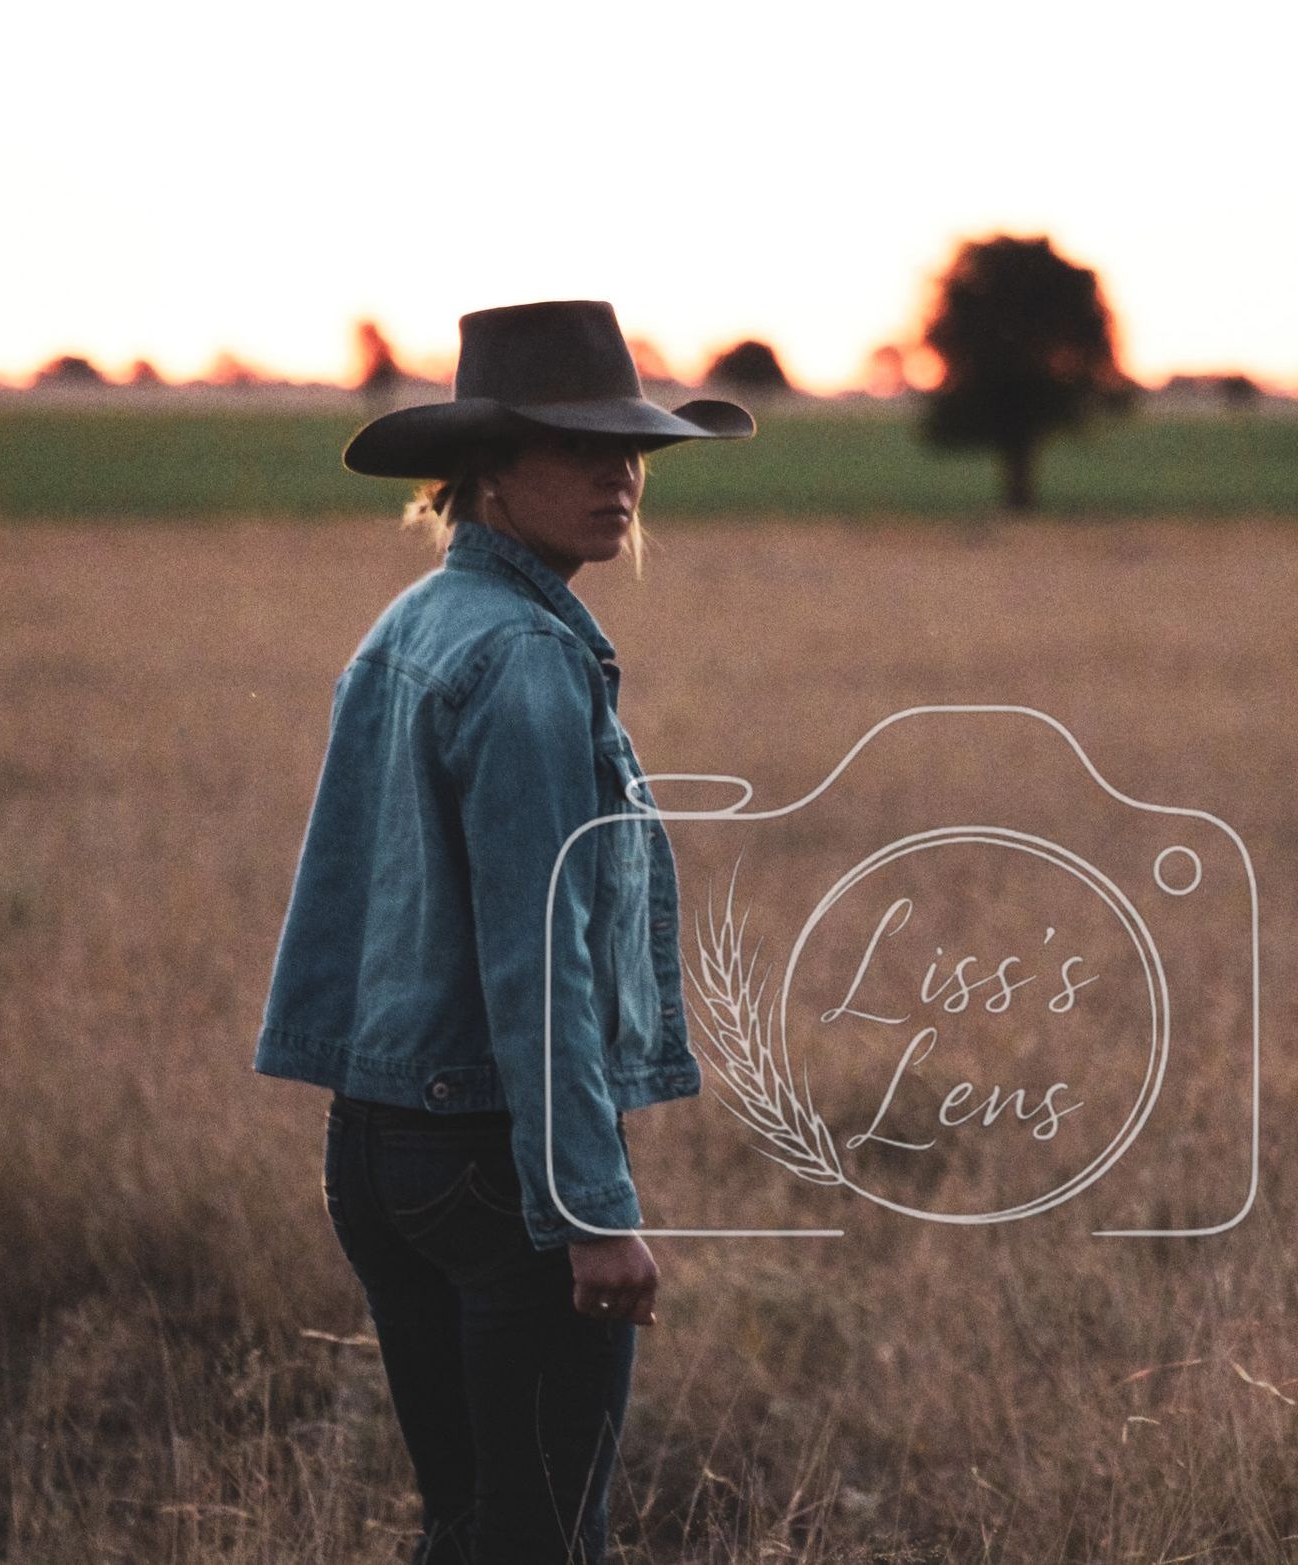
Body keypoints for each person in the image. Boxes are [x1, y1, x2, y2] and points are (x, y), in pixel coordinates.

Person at [253, 300, 755, 1564]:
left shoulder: (408, 626)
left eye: (631, 446)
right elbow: (539, 965)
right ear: (483, 468)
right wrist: (589, 1203)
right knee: (537, 1539)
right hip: (492, 1161)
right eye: (578, 445)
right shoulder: (524, 659)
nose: (620, 473)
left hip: (378, 1147)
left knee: (473, 1526)